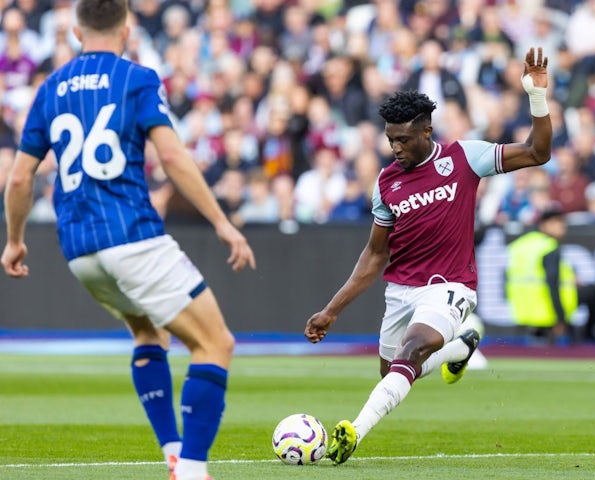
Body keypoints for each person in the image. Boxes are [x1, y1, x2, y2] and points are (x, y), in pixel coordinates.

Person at [0, 2, 256, 480]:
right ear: (128, 27)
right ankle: (194, 470)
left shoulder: (50, 88)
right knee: (215, 343)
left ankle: (174, 454)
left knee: (146, 333)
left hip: (79, 250)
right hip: (132, 236)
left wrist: (14, 241)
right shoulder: (136, 78)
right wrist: (222, 222)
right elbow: (174, 158)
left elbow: (18, 180)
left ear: (76, 30)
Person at [304, 46, 553, 465]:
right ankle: (461, 349)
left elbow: (537, 152)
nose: (395, 148)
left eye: (402, 140)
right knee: (397, 373)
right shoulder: (386, 184)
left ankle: (352, 432)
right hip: (401, 291)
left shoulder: (464, 158)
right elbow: (373, 256)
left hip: (450, 285)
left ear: (426, 132)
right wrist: (332, 310)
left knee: (412, 351)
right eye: (389, 140)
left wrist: (536, 97)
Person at [506, 205, 595, 345]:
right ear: (545, 225)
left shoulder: (520, 245)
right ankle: (589, 335)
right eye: (559, 223)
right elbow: (552, 284)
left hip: (523, 311)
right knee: (593, 290)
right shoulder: (549, 247)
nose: (564, 227)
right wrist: (561, 319)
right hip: (546, 311)